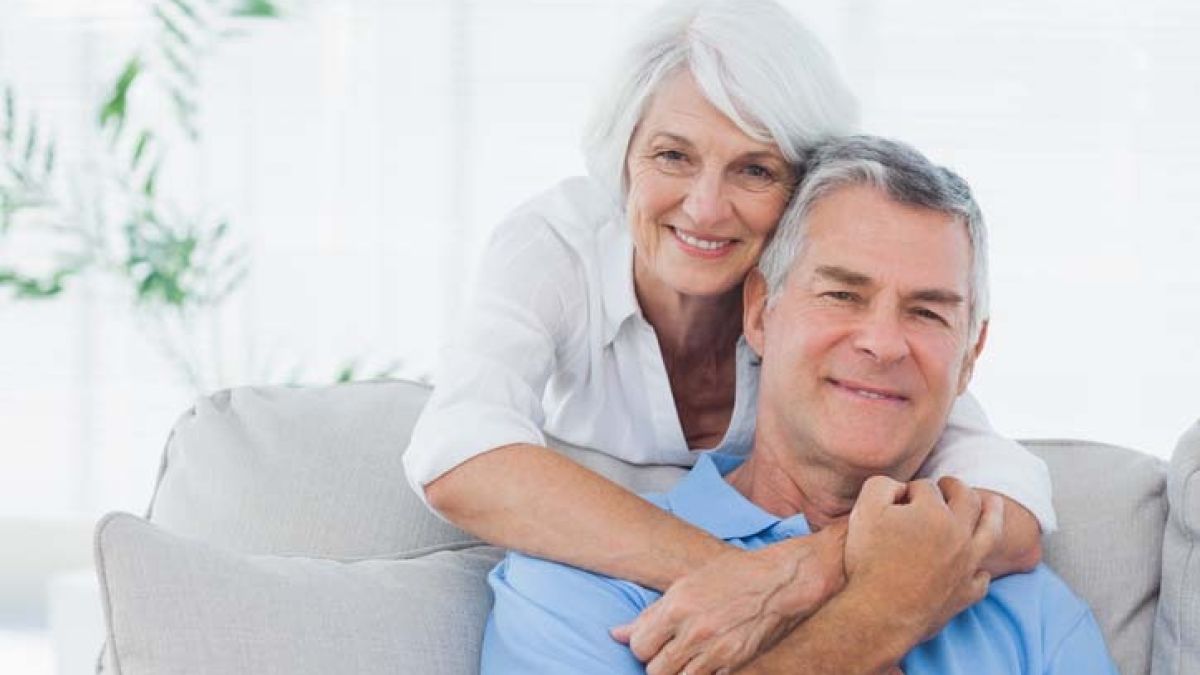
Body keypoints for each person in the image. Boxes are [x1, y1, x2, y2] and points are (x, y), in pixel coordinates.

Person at [404, 0, 1054, 667]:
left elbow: (1011, 503)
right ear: (623, 157)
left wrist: (806, 566)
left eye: (755, 169)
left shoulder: (828, 326)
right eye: (672, 155)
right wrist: (747, 578)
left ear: (805, 193)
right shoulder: (557, 249)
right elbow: (458, 452)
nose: (706, 207)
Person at [481, 135, 1117, 675]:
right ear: (760, 312)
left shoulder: (1033, 612)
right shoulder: (576, 580)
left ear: (970, 356)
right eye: (842, 294)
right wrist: (880, 614)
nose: (883, 342)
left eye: (927, 312)